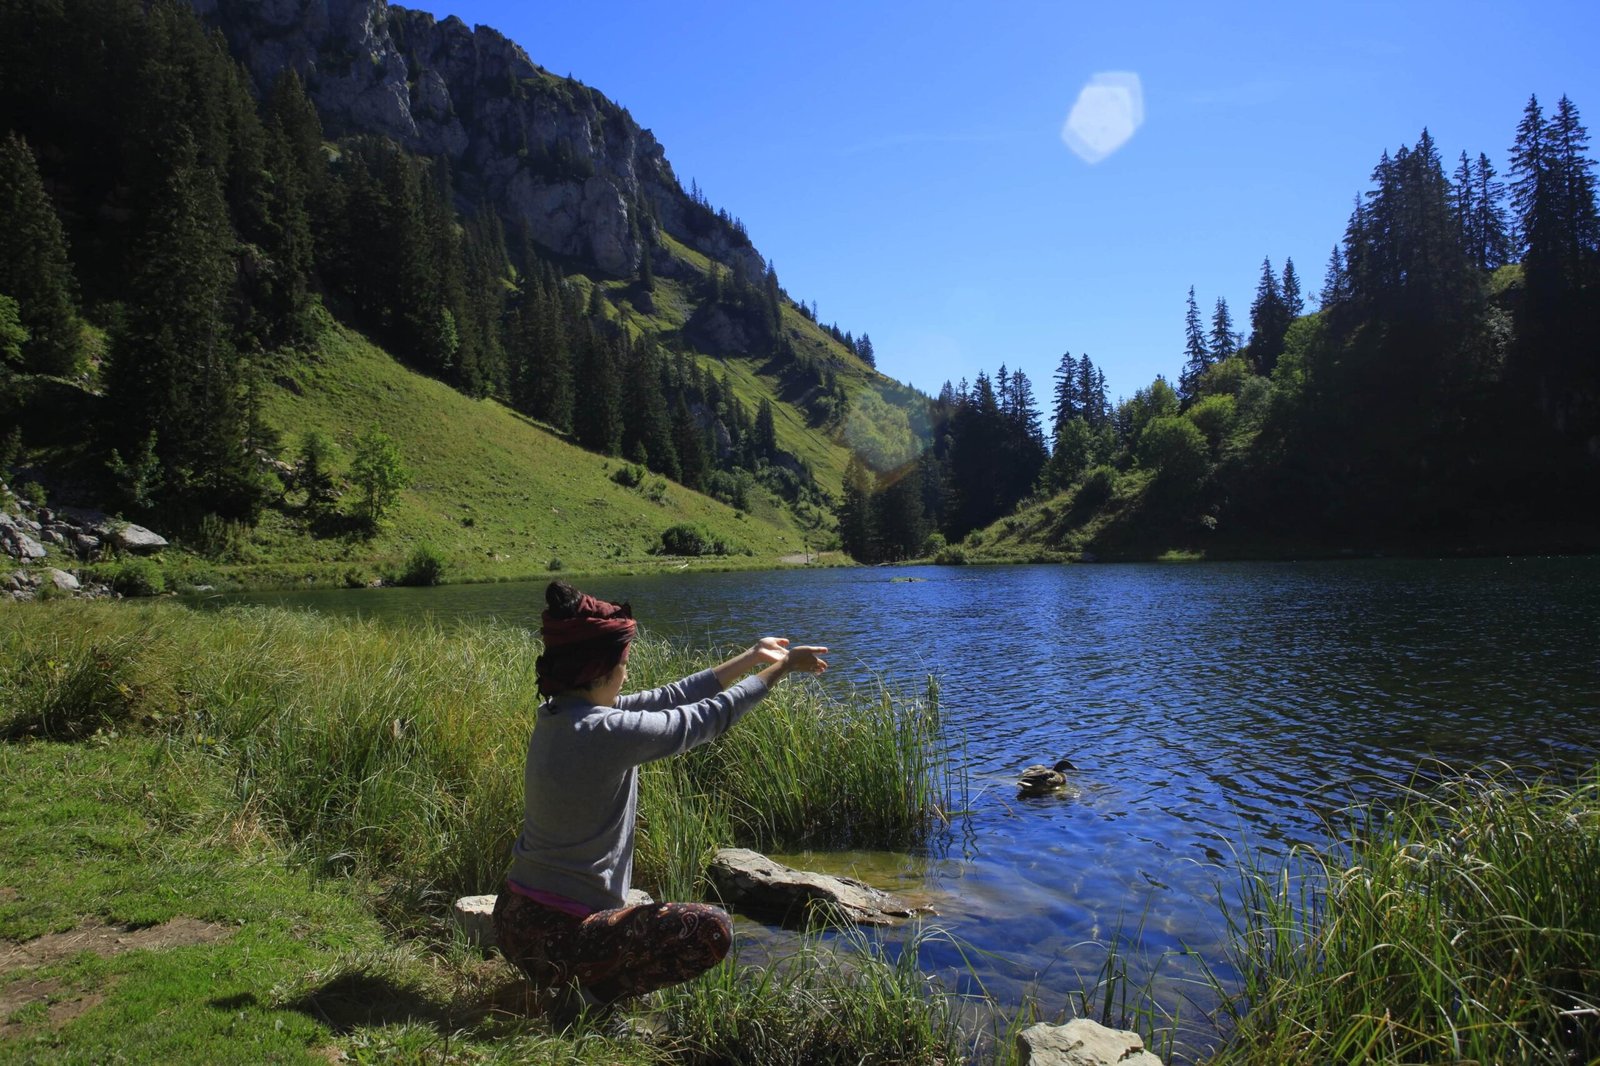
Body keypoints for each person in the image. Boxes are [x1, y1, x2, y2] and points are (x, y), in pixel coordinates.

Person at [493, 579, 828, 1023]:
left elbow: (669, 698)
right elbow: (706, 718)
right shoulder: (606, 732)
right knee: (710, 930)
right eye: (625, 664)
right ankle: (586, 1003)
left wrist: (751, 658)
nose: (627, 674)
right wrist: (780, 669)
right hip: (560, 935)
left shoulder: (560, 713)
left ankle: (574, 984)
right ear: (604, 668)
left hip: (514, 917)